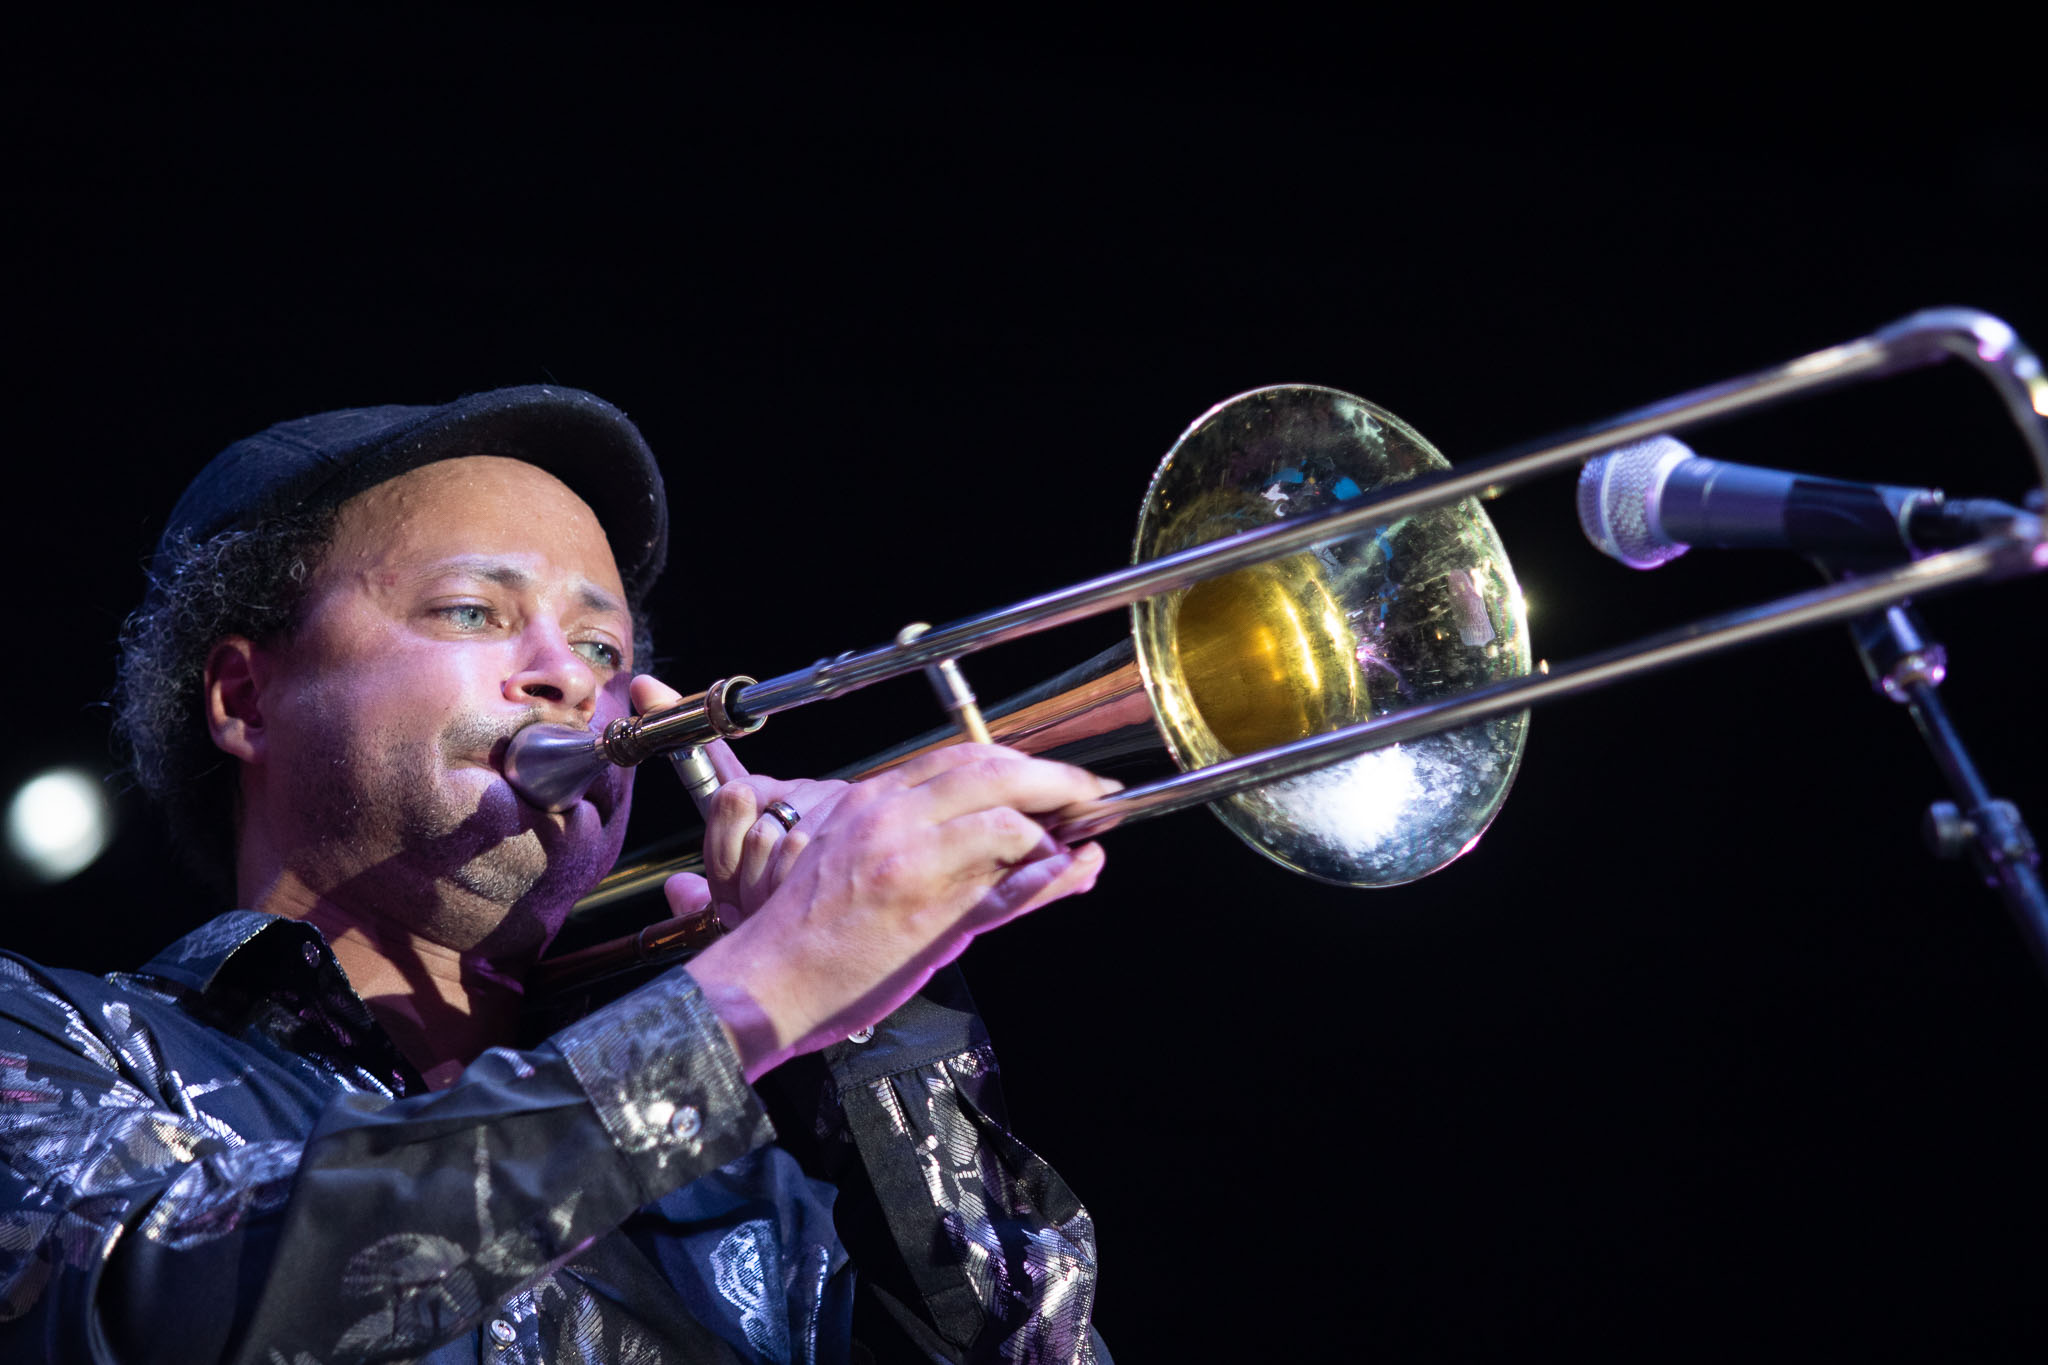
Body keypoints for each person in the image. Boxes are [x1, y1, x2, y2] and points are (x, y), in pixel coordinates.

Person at [0, 388, 1116, 1364]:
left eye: (602, 649)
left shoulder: (754, 1192)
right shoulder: (60, 1038)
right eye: (472, 611)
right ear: (246, 699)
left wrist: (877, 1015)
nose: (567, 681)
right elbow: (176, 1311)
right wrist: (765, 989)